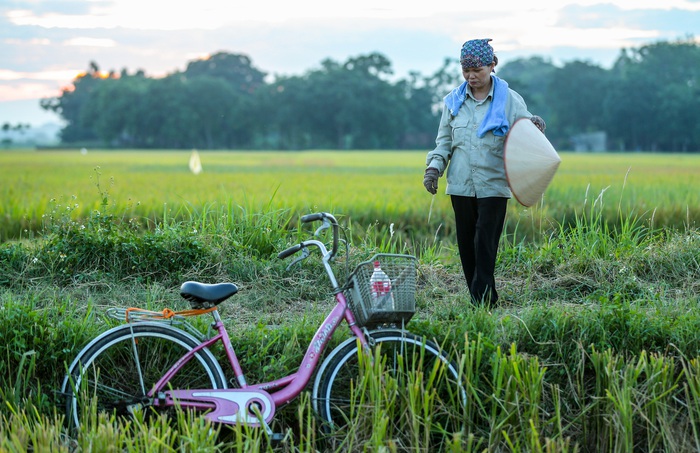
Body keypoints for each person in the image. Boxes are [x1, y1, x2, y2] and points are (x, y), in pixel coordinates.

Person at [422, 38, 546, 307]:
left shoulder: (510, 100)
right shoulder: (453, 102)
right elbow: (443, 142)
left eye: (477, 70)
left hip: (494, 185)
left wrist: (534, 124)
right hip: (461, 185)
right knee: (467, 246)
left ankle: (484, 302)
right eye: (466, 70)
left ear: (492, 65)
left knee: (485, 243)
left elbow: (524, 131)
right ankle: (480, 300)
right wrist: (433, 168)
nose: (471, 76)